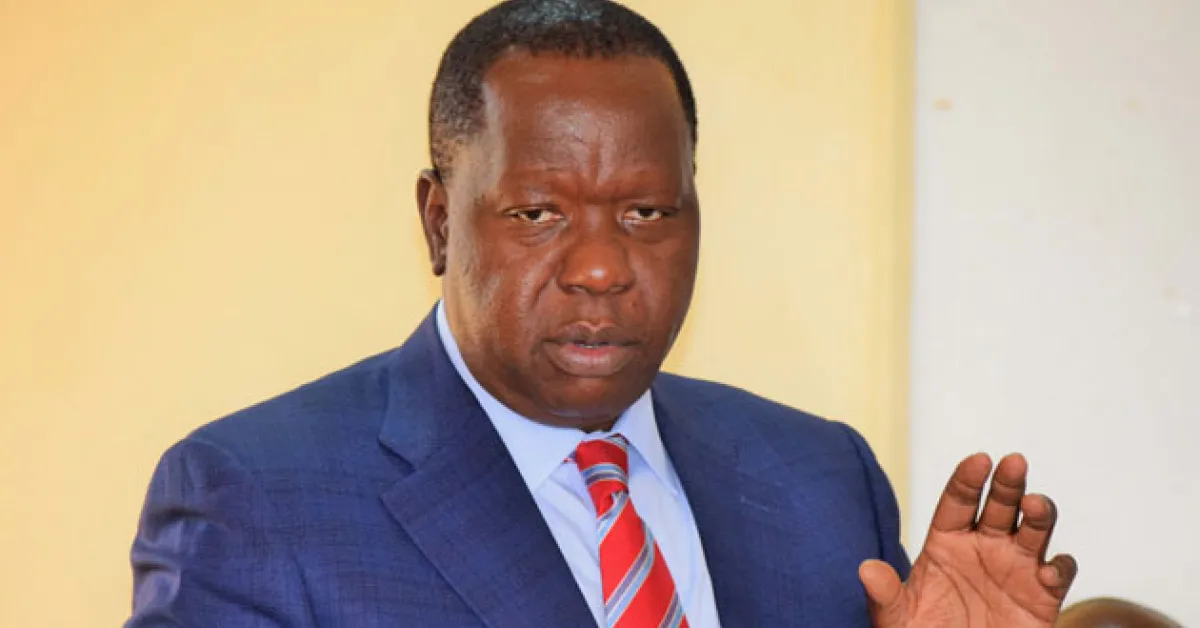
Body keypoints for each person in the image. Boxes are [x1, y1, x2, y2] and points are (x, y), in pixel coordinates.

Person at [127, 1, 1077, 626]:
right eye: (537, 214)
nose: (599, 268)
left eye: (647, 213)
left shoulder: (821, 479)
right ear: (439, 222)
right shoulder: (258, 499)